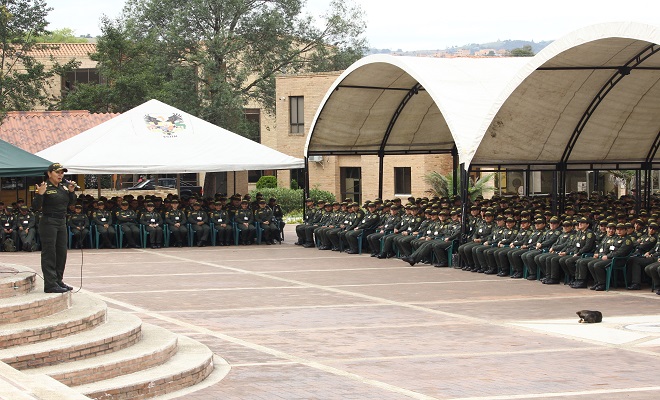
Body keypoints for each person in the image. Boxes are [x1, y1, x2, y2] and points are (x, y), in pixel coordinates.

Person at [32, 163, 77, 293]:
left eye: (62, 173)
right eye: (57, 172)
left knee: (61, 252)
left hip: (61, 221)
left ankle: (58, 280)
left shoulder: (63, 187)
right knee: (50, 253)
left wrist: (71, 192)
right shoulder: (44, 187)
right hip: (49, 222)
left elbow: (71, 204)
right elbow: (35, 207)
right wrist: (40, 194)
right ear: (49, 173)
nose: (60, 175)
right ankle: (50, 284)